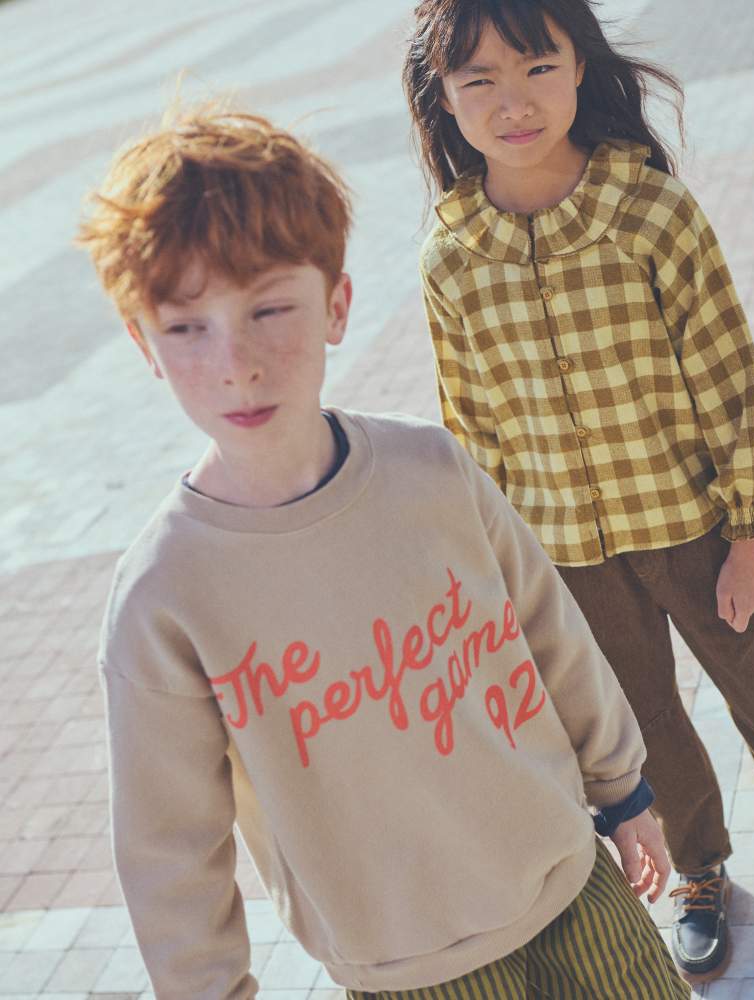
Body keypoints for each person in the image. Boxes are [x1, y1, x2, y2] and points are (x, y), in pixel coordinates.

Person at [77, 105, 690, 1000]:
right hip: (407, 972)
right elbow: (170, 848)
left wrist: (624, 789)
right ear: (143, 344)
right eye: (186, 328)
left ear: (337, 305)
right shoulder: (163, 596)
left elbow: (549, 627)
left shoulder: (430, 468)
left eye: (269, 308)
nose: (236, 361)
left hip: (570, 884)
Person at [404, 0, 754, 989]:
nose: (511, 101)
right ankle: (700, 871)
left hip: (693, 527)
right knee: (638, 720)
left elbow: (728, 381)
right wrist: (498, 573)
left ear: (578, 68)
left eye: (535, 68)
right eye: (479, 81)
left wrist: (749, 533)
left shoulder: (649, 212)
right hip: (564, 550)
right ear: (445, 100)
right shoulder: (450, 257)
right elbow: (469, 431)